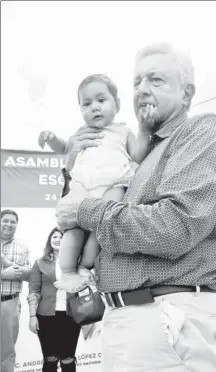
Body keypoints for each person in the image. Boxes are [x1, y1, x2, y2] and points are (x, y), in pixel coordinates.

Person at [56, 42, 216, 372]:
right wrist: (73, 169)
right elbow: (75, 216)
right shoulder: (133, 159)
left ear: (187, 93)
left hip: (168, 318)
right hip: (123, 319)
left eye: (156, 79)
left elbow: (176, 227)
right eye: (137, 81)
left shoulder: (201, 131)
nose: (142, 88)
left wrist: (87, 208)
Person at [38, 74, 155, 293]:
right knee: (73, 230)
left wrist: (145, 128)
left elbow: (139, 154)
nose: (94, 108)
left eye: (101, 100)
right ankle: (69, 272)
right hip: (83, 187)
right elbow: (64, 148)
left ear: (117, 104)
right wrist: (51, 138)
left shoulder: (123, 131)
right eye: (87, 104)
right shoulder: (80, 134)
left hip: (113, 185)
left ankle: (85, 265)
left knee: (103, 223)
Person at [27, 227, 81, 372]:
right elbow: (33, 291)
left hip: (71, 315)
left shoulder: (76, 262)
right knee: (50, 358)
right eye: (54, 237)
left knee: (68, 358)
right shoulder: (39, 263)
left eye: (61, 237)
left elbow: (87, 282)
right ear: (49, 241)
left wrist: (71, 283)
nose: (58, 239)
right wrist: (33, 315)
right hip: (46, 316)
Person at [1, 209, 31, 372]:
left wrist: (16, 271)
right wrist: (4, 272)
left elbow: (31, 275)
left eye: (13, 222)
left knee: (6, 354)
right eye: (5, 220)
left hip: (8, 304)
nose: (9, 224)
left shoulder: (22, 246)